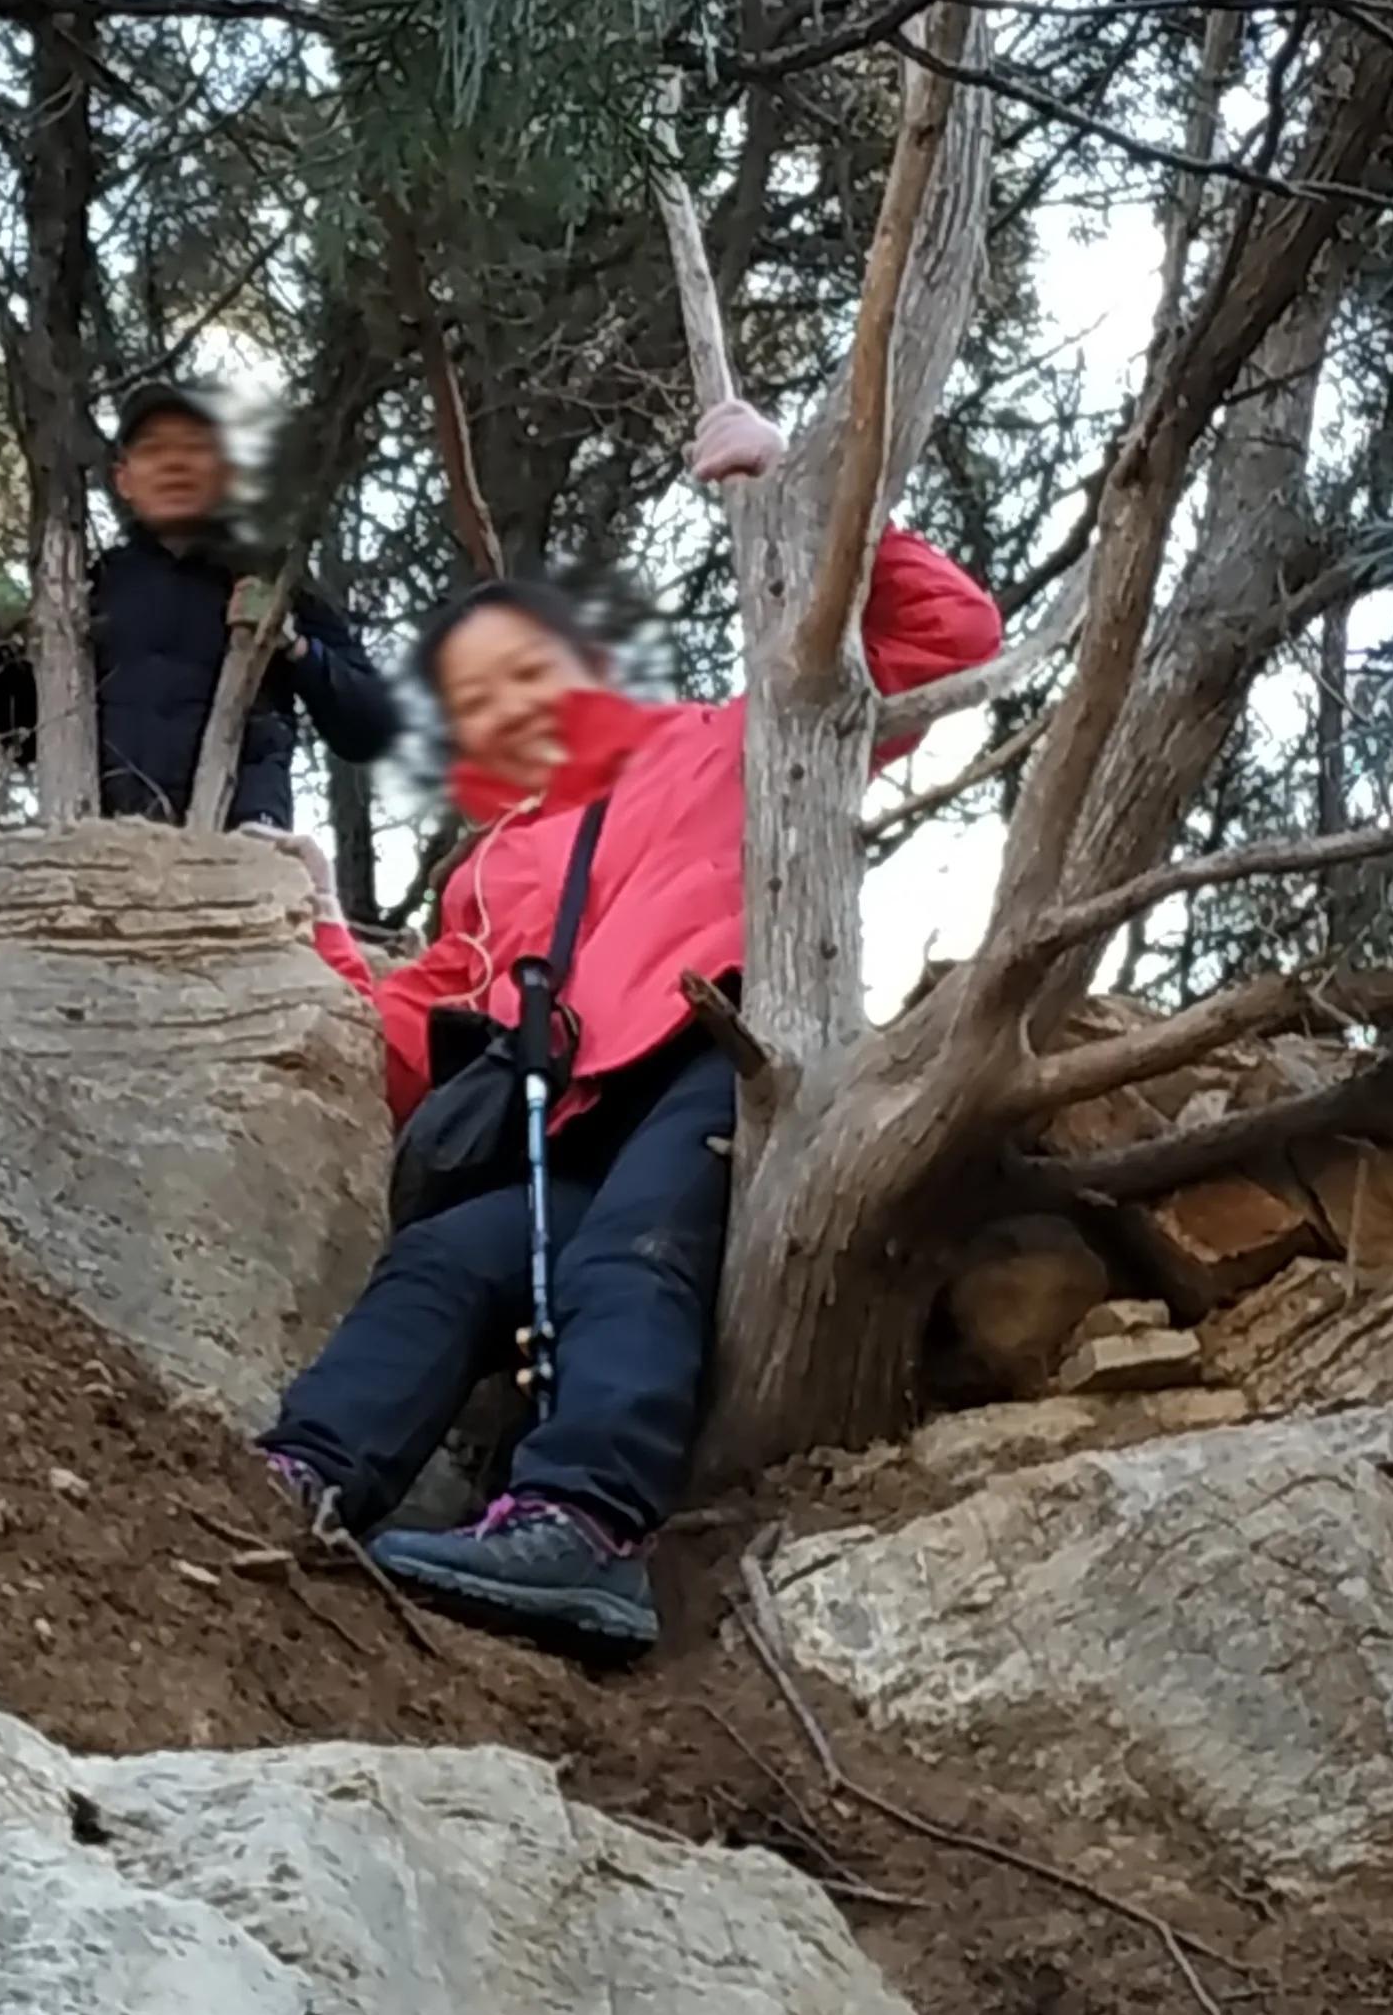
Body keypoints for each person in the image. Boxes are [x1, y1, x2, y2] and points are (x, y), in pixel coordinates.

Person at [257, 393, 1004, 1660]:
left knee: (628, 1259)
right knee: (447, 1261)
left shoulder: (729, 736)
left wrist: (804, 494)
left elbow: (946, 639)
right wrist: (320, 916)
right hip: (575, 1128)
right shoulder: (488, 874)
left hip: (730, 1050)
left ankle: (586, 1529)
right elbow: (401, 1042)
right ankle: (302, 1476)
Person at [0, 383, 400, 830]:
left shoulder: (278, 584)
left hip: (244, 855)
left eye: (195, 447)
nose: (175, 463)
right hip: (100, 855)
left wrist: (294, 645)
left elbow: (372, 728)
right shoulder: (87, 592)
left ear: (226, 474)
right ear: (123, 479)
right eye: (153, 449)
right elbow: (7, 741)